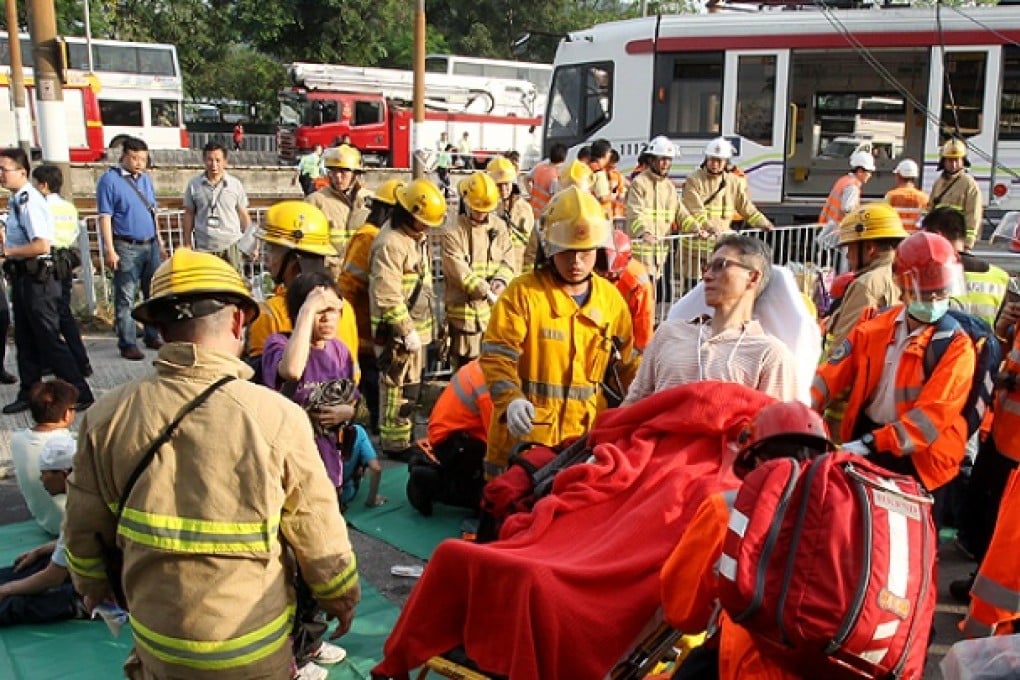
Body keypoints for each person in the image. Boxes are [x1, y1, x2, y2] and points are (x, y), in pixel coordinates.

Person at [63, 249, 360, 680]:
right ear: (240, 321)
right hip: (253, 652)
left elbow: (82, 533)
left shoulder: (105, 416)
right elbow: (319, 533)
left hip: (158, 648)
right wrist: (342, 599)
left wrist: (92, 591)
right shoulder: (275, 416)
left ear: (160, 328)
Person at [661, 401, 834, 680]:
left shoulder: (727, 509)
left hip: (750, 665)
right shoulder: (847, 515)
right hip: (835, 664)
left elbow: (682, 613)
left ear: (753, 460)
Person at [479, 186, 640, 478]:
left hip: (583, 442)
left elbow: (627, 369)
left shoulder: (611, 302)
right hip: (525, 442)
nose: (576, 262)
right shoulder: (523, 294)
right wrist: (511, 400)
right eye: (566, 252)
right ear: (549, 248)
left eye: (584, 252)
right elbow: (496, 357)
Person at [811, 231, 976, 493]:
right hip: (869, 439)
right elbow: (829, 376)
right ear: (901, 285)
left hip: (921, 460)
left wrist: (871, 442)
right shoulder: (874, 326)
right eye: (925, 294)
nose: (933, 301)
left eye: (940, 293)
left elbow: (928, 421)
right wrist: (804, 412)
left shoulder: (956, 347)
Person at [623, 234, 797, 406]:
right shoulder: (668, 333)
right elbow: (632, 405)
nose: (706, 276)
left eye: (720, 266)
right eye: (706, 268)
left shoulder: (769, 354)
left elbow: (776, 426)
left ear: (753, 277)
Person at [1, 148, 93, 415]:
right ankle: (29, 391)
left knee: (49, 339)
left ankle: (80, 391)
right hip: (23, 277)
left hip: (39, 279)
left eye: (4, 170)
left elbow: (41, 244)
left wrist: (8, 253)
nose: (1, 175)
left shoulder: (30, 201)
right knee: (26, 340)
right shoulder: (17, 200)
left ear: (22, 172)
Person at [262, 272, 360, 501]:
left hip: (328, 467)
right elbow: (292, 370)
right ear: (299, 314)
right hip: (289, 467)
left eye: (332, 310)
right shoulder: (279, 344)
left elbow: (354, 400)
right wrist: (307, 309)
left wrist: (348, 412)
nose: (327, 319)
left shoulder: (340, 351)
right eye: (319, 311)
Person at [369, 179, 446, 458]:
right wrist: (405, 330)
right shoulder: (390, 244)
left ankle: (405, 435)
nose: (426, 226)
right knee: (395, 390)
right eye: (423, 221)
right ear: (409, 214)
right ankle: (394, 444)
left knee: (411, 388)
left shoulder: (413, 238)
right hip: (397, 335)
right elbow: (387, 294)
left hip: (414, 332)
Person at [245, 201, 359, 374]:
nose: (266, 258)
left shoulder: (271, 312)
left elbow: (263, 380)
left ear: (293, 260)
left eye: (271, 249)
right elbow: (353, 374)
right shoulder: (343, 306)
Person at [339, 179, 404, 434]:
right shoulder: (369, 238)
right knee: (371, 380)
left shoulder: (376, 237)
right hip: (363, 327)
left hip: (368, 325)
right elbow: (349, 284)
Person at [96, 136, 167, 361]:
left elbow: (152, 212)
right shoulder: (109, 180)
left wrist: (161, 242)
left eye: (143, 159)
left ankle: (151, 334)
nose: (138, 163)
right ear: (124, 155)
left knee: (152, 292)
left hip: (150, 243)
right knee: (126, 295)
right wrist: (110, 249)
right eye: (134, 158)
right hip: (126, 245)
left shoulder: (145, 180)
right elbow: (105, 217)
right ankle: (127, 341)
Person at [0, 435, 83, 627]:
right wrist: (40, 550)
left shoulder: (81, 509)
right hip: (87, 568)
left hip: (99, 591)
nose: (40, 479)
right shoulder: (84, 495)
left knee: (14, 603)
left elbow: (53, 577)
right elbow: (77, 541)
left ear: (63, 474)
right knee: (26, 568)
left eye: (44, 473)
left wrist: (5, 590)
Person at [442, 172, 515, 369]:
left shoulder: (499, 227)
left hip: (492, 318)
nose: (481, 214)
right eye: (476, 209)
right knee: (465, 372)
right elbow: (459, 272)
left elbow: (509, 260)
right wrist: (487, 292)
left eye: (486, 210)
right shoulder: (453, 232)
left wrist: (501, 282)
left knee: (492, 370)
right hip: (464, 318)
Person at [822, 203, 908, 356]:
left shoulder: (866, 285)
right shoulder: (905, 274)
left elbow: (844, 347)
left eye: (851, 248)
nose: (848, 256)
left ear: (869, 248)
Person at [31, 163, 91, 377]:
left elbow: (37, 237)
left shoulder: (41, 207)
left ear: (43, 185)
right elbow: (73, 232)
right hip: (65, 261)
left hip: (46, 264)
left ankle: (61, 362)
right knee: (64, 313)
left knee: (50, 317)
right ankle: (81, 360)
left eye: (34, 183)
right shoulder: (68, 207)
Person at [10, 379, 77, 536]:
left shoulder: (17, 439)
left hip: (45, 521)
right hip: (72, 526)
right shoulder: (69, 448)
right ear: (67, 413)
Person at [625, 135, 687, 301]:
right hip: (642, 254)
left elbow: (681, 212)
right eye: (662, 160)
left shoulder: (668, 187)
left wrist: (698, 228)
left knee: (651, 298)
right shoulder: (640, 183)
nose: (666, 164)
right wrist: (643, 232)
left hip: (660, 254)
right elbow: (634, 212)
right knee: (640, 296)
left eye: (668, 160)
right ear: (651, 160)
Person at [923, 205, 1008, 326]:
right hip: (987, 344)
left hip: (945, 344)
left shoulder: (930, 275)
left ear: (938, 235)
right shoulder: (1000, 277)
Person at [182, 142, 252, 272]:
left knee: (234, 285)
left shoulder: (235, 184)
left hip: (231, 245)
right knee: (208, 288)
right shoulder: (194, 185)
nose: (214, 165)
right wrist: (187, 242)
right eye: (210, 160)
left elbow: (243, 214)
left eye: (218, 160)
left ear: (225, 161)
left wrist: (251, 242)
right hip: (204, 248)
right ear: (204, 160)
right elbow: (189, 213)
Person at [306, 144, 369, 270]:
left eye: (343, 171)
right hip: (329, 278)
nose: (338, 177)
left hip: (361, 279)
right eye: (333, 171)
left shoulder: (369, 201)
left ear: (355, 174)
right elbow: (307, 246)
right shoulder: (315, 201)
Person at [594, 230, 654, 354]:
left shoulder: (638, 281)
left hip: (621, 334)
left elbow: (643, 319)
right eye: (601, 272)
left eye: (611, 275)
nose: (605, 276)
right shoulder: (585, 268)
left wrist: (642, 354)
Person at [928, 138, 983, 250]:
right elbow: (930, 209)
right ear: (943, 161)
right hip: (938, 240)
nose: (953, 164)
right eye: (950, 160)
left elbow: (973, 215)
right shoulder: (938, 183)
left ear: (963, 161)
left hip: (957, 241)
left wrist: (967, 244)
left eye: (957, 160)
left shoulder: (969, 184)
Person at [487, 155, 532, 275]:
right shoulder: (485, 209)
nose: (503, 189)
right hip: (494, 273)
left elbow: (531, 245)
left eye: (506, 184)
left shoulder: (523, 208)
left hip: (518, 270)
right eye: (498, 185)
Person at [818, 149, 875, 240]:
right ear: (860, 171)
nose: (870, 175)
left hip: (830, 228)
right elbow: (847, 209)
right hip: (839, 232)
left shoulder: (844, 180)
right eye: (869, 172)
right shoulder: (852, 186)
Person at [339, 422, 385, 511]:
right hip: (343, 495)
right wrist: (371, 500)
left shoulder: (311, 432)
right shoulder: (358, 431)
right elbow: (376, 468)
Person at [884, 158, 928, 233]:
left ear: (898, 175)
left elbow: (885, 219)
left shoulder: (891, 196)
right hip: (916, 238)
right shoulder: (924, 197)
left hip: (897, 238)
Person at [527, 142, 567, 219]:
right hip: (542, 216)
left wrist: (530, 192)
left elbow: (526, 178)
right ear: (563, 160)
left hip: (532, 211)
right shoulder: (554, 178)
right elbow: (554, 202)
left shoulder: (539, 167)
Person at [587, 138, 614, 218]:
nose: (610, 155)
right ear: (605, 153)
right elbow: (602, 198)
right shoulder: (599, 172)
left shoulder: (588, 167)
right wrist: (613, 196)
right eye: (609, 152)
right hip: (600, 215)